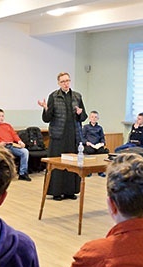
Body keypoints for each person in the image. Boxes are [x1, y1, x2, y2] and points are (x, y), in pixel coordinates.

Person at [38, 72, 87, 201]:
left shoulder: (77, 96)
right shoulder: (54, 96)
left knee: (72, 163)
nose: (66, 83)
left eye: (67, 80)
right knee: (58, 164)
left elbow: (83, 117)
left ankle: (70, 191)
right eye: (63, 81)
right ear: (59, 83)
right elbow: (47, 119)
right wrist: (45, 108)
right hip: (58, 136)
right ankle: (56, 192)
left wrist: (80, 113)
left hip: (73, 135)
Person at [0, 109, 31, 181]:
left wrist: (19, 141)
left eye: (2, 116)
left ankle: (23, 173)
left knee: (25, 152)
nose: (1, 118)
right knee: (5, 155)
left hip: (11, 146)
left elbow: (14, 135)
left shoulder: (8, 126)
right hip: (1, 147)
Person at [81, 110, 108, 177]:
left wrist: (102, 143)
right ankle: (89, 171)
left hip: (97, 145)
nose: (94, 118)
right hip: (89, 145)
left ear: (97, 119)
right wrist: (86, 142)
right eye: (92, 117)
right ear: (90, 118)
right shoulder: (86, 127)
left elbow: (102, 138)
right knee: (90, 151)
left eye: (95, 117)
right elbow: (82, 137)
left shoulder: (99, 128)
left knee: (102, 151)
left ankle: (100, 171)